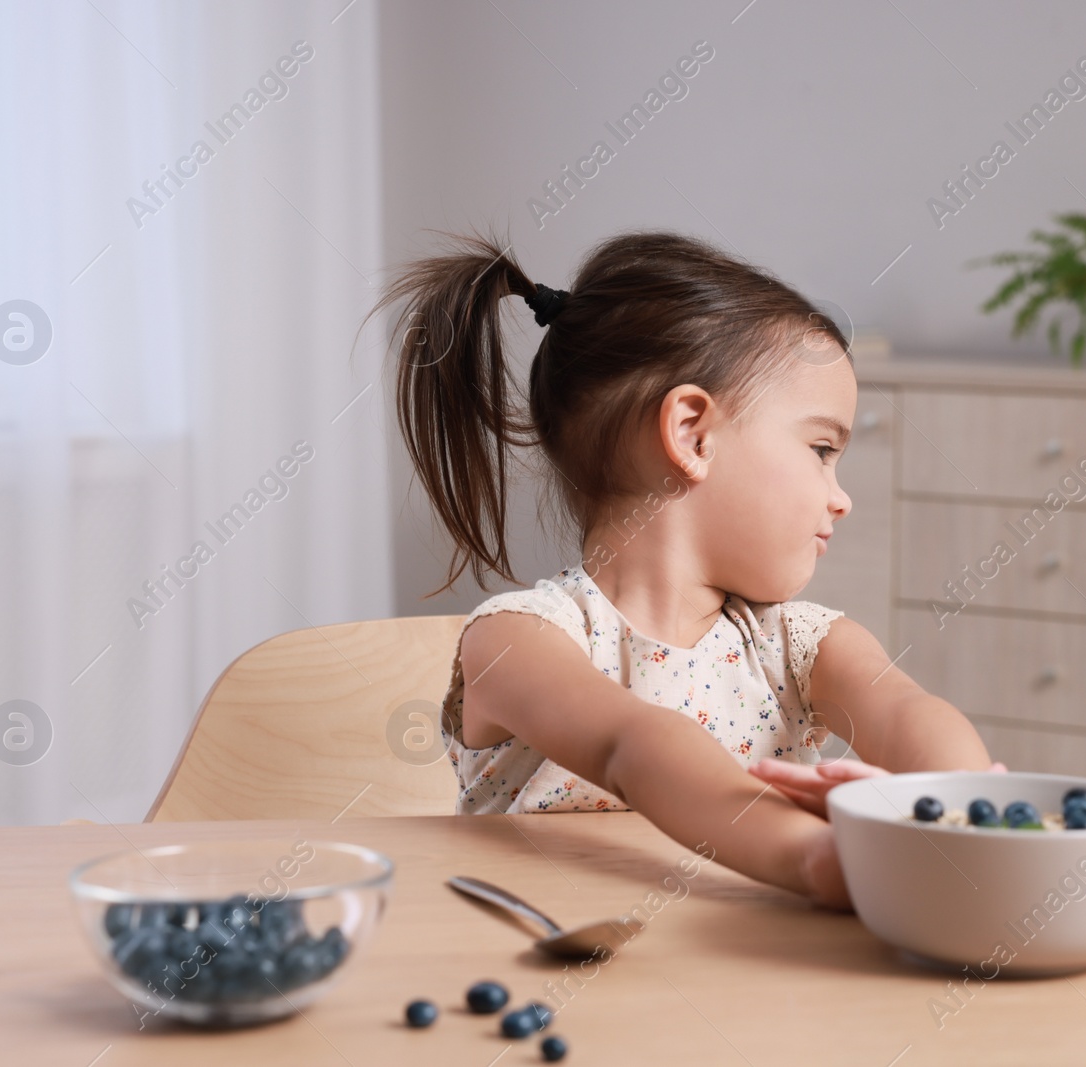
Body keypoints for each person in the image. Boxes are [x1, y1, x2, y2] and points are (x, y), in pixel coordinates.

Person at [373, 228, 1001, 912]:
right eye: (822, 448)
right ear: (693, 434)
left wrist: (962, 810)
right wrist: (819, 857)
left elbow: (907, 713)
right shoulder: (517, 642)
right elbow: (635, 745)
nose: (840, 497)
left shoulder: (802, 646)